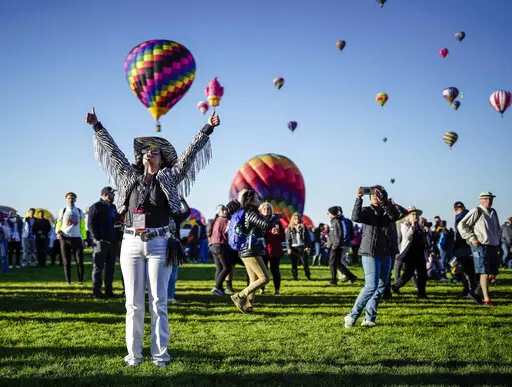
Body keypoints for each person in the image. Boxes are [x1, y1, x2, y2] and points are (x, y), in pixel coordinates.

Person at [86, 107, 220, 367]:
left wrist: (207, 128)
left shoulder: (170, 176)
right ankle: (133, 356)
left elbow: (189, 156)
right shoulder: (129, 175)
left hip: (160, 243)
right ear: (141, 156)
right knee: (133, 304)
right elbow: (113, 152)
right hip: (131, 242)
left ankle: (160, 356)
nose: (150, 152)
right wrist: (97, 126)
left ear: (162, 158)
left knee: (158, 302)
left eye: (155, 150)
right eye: (146, 149)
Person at [345, 185, 400, 328]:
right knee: (371, 286)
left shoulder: (388, 210)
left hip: (386, 253)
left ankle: (369, 318)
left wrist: (384, 202)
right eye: (372, 194)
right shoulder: (367, 211)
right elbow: (355, 217)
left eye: (378, 194)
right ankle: (352, 315)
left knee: (381, 286)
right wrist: (358, 199)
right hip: (370, 252)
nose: (374, 196)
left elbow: (395, 216)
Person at [230, 189, 282, 313]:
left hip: (249, 249)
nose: (259, 200)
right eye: (257, 198)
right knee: (264, 279)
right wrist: (275, 218)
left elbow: (260, 229)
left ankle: (249, 307)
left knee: (254, 281)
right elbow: (264, 224)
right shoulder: (251, 212)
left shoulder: (250, 212)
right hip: (250, 250)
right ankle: (239, 296)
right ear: (251, 200)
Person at [458, 192, 501, 307]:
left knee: (493, 272)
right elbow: (462, 225)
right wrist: (472, 238)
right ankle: (487, 299)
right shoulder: (476, 211)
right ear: (480, 200)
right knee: (484, 271)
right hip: (480, 245)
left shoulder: (493, 212)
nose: (488, 201)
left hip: (493, 245)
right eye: (485, 199)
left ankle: (476, 292)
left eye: (490, 199)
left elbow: (497, 228)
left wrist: (498, 242)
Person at [392, 206, 428, 298]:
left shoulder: (419, 225)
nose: (415, 216)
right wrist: (412, 226)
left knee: (422, 272)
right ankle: (395, 286)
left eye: (416, 214)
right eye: (413, 214)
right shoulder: (404, 224)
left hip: (419, 251)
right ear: (408, 216)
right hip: (409, 252)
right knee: (408, 273)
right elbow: (406, 237)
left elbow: (422, 237)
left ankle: (422, 293)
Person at [88, 186, 118, 299]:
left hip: (113, 242)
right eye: (112, 194)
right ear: (105, 194)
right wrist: (97, 238)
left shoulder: (114, 208)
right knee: (98, 267)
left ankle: (108, 291)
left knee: (111, 268)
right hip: (101, 242)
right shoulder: (96, 206)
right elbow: (90, 224)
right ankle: (97, 291)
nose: (113, 196)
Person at [56, 192, 87, 285]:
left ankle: (80, 281)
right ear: (66, 199)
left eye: (73, 198)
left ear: (75, 199)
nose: (71, 200)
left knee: (80, 262)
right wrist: (58, 231)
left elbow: (82, 226)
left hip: (77, 238)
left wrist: (84, 239)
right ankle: (68, 281)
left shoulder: (79, 211)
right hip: (65, 239)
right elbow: (58, 223)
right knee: (66, 262)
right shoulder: (63, 210)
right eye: (69, 198)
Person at [453, 201, 480, 303]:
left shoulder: (461, 217)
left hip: (464, 247)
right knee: (470, 269)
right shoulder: (468, 214)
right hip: (470, 246)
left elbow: (460, 235)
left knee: (467, 271)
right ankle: (470, 289)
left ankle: (470, 290)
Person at [167, 197, 190, 303]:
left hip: (162, 244)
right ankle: (169, 296)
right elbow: (187, 211)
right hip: (172, 245)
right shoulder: (176, 217)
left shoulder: (161, 215)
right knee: (172, 273)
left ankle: (163, 295)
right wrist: (182, 200)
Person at [326, 206, 357, 285]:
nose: (327, 214)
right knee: (338, 263)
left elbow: (337, 235)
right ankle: (351, 276)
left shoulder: (335, 221)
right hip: (338, 245)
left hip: (336, 246)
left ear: (332, 214)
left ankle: (333, 280)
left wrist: (334, 246)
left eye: (328, 213)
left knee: (332, 263)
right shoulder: (336, 221)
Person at [260, 202, 285, 295]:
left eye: (268, 209)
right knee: (263, 271)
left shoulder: (277, 222)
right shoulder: (258, 221)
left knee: (275, 270)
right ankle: (262, 289)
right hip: (262, 250)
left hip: (275, 250)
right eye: (264, 209)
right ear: (260, 211)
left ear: (271, 211)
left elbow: (283, 237)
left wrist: (278, 233)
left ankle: (277, 290)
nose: (267, 210)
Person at [208, 205, 230, 296]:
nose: (225, 211)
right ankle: (217, 287)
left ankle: (219, 288)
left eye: (225, 209)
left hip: (213, 245)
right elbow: (227, 231)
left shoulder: (216, 221)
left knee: (219, 268)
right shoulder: (224, 220)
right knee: (227, 268)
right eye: (222, 210)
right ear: (218, 212)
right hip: (220, 245)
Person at [286, 213, 312, 280]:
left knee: (305, 263)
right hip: (293, 248)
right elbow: (288, 239)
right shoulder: (290, 228)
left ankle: (308, 275)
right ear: (292, 220)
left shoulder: (303, 227)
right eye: (295, 219)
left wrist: (307, 246)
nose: (297, 220)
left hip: (302, 247)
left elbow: (307, 238)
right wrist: (289, 248)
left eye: (298, 219)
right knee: (294, 263)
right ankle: (295, 276)